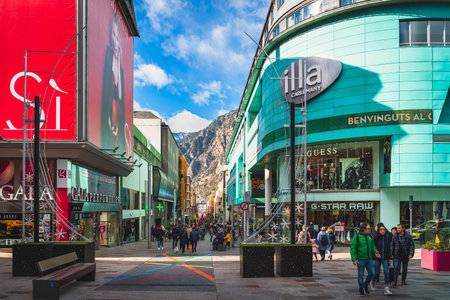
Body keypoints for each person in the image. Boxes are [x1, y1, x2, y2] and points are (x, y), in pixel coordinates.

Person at [350, 222, 381, 297]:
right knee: (360, 275)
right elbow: (353, 248)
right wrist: (354, 259)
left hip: (369, 259)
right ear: (363, 229)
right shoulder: (356, 237)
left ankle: (365, 285)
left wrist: (375, 251)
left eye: (369, 228)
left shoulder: (370, 236)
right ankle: (361, 289)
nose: (369, 230)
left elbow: (372, 245)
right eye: (367, 229)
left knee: (372, 273)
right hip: (360, 259)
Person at [373, 223, 393, 296]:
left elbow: (389, 248)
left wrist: (390, 257)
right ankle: (372, 281)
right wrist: (373, 259)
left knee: (386, 272)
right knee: (377, 272)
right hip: (377, 258)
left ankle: (386, 287)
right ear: (378, 230)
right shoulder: (375, 238)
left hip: (385, 257)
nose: (383, 231)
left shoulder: (387, 237)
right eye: (381, 229)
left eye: (384, 229)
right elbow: (373, 248)